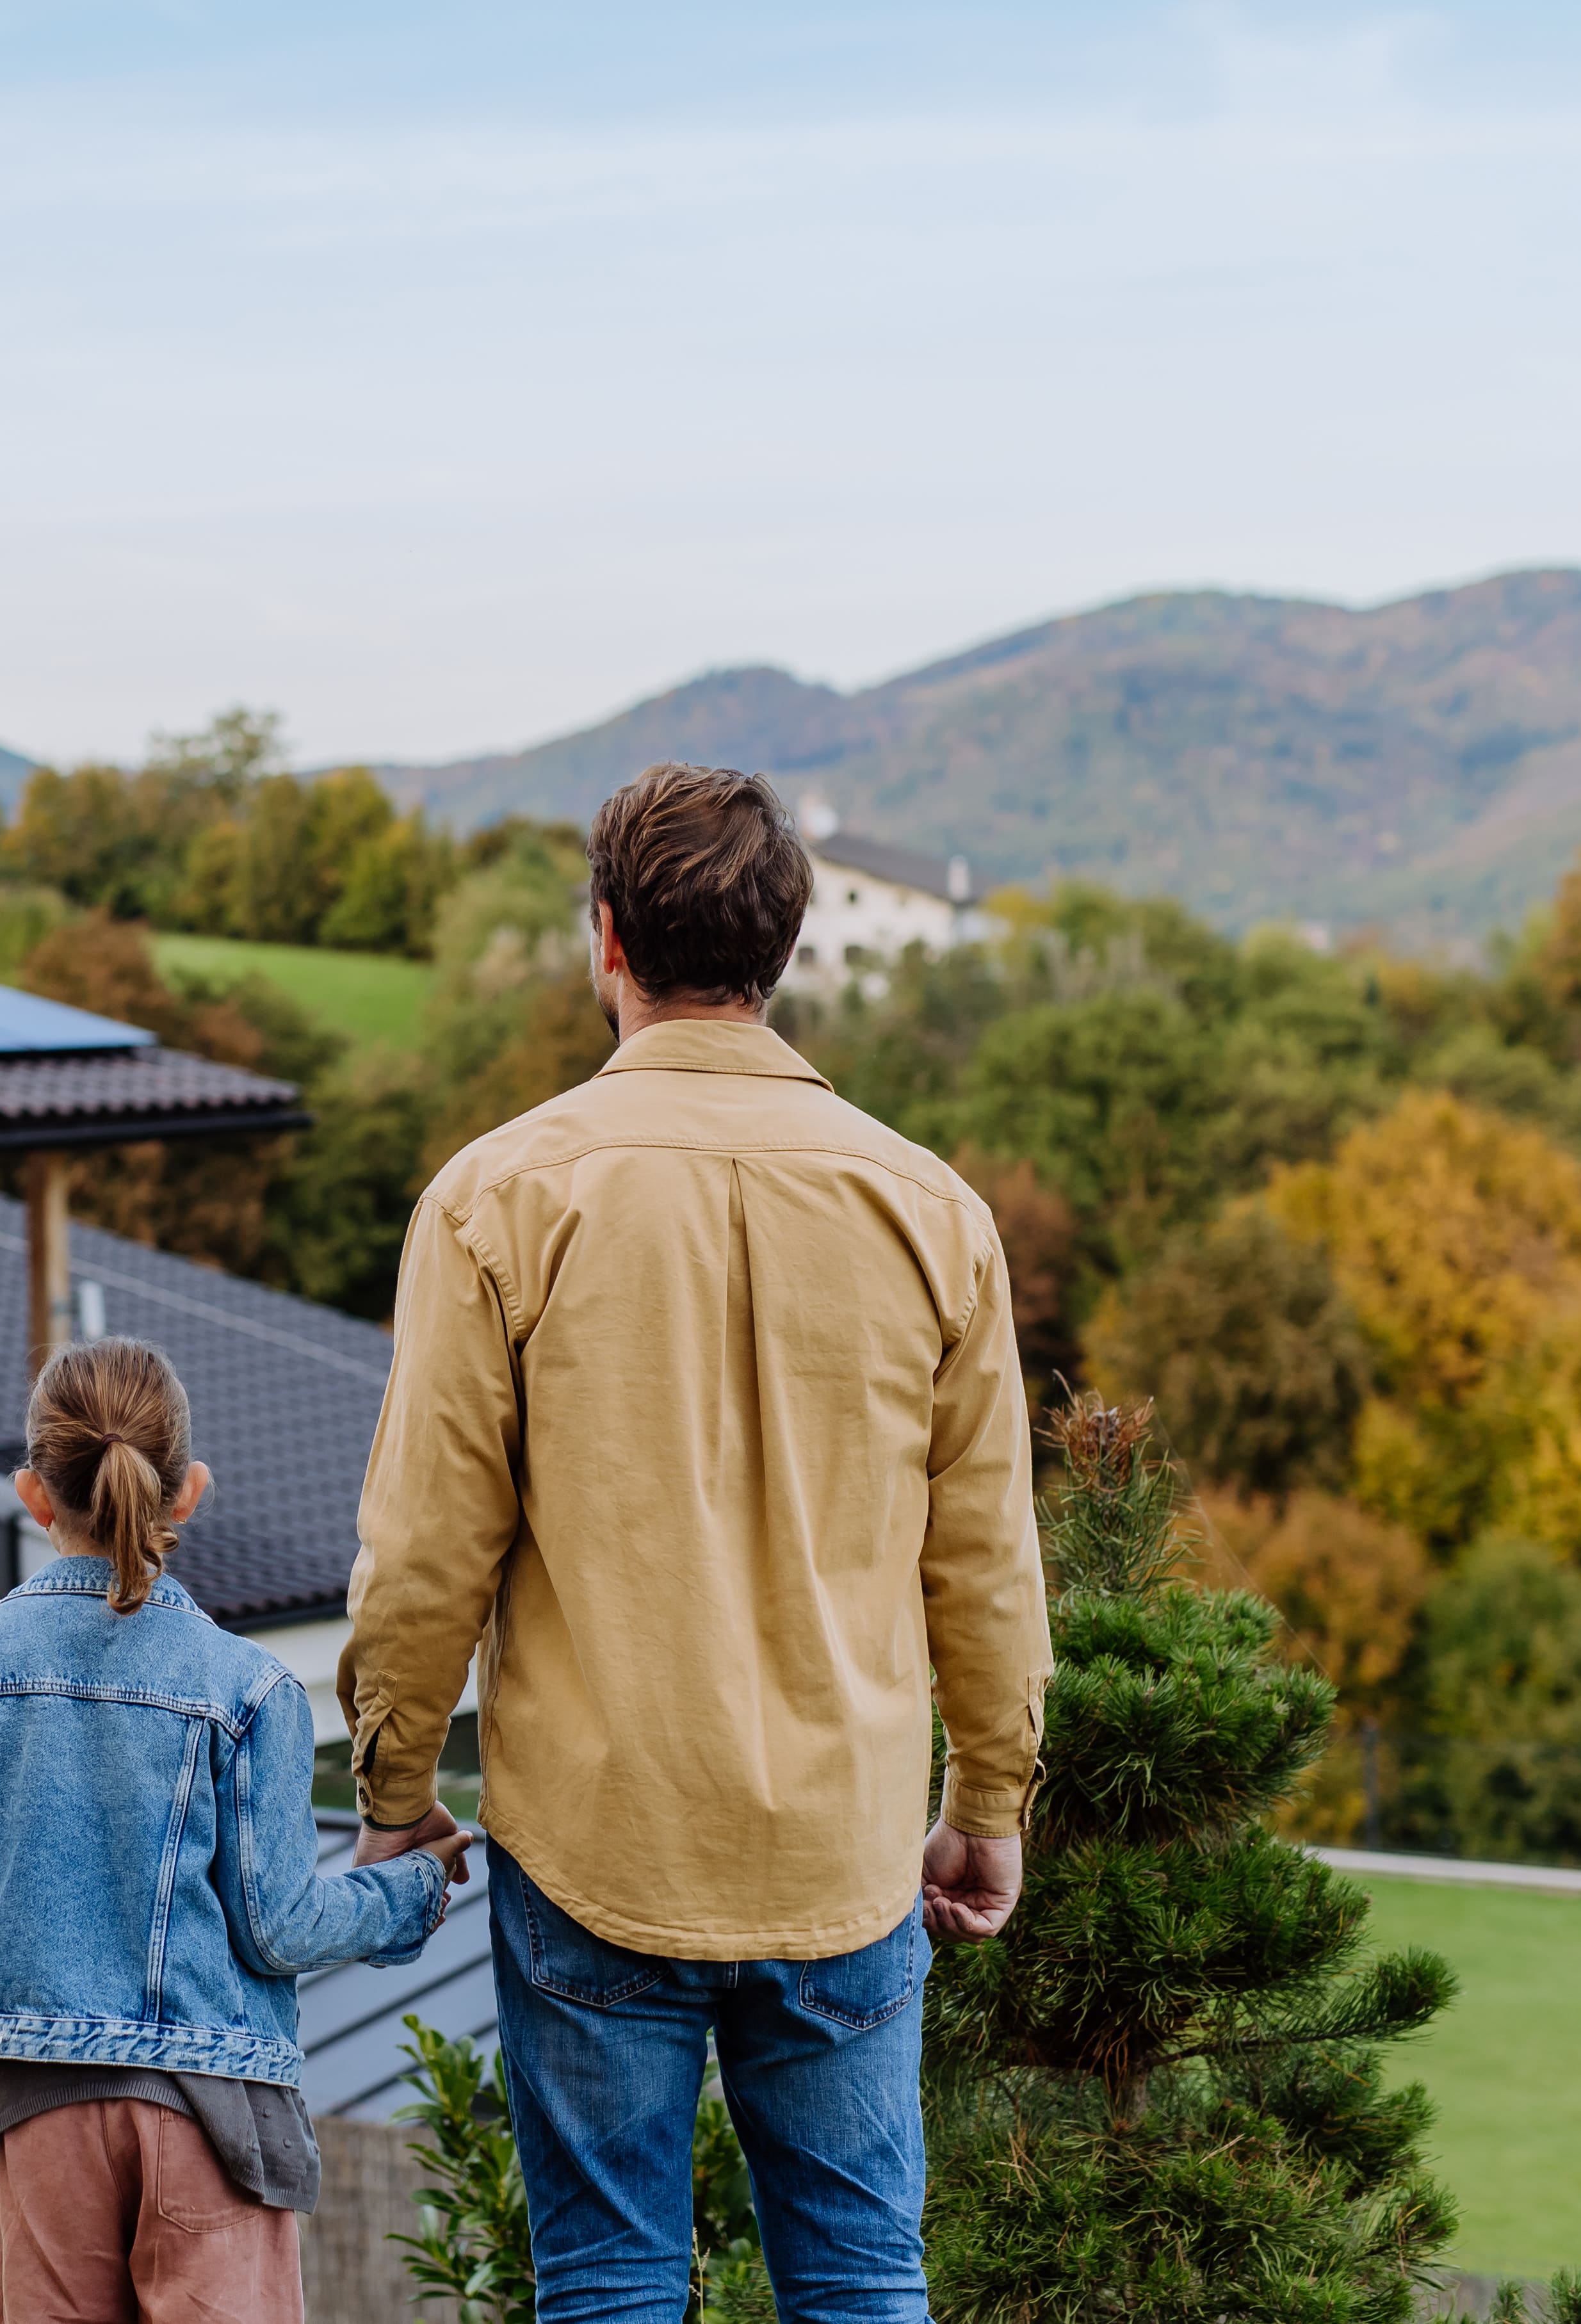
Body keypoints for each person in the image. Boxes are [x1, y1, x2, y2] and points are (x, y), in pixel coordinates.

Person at [337, 763, 1054, 2324]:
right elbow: (986, 1559)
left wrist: (395, 1795)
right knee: (865, 2282)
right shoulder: (932, 1212)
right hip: (842, 1851)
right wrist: (987, 1800)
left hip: (596, 1846)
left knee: (607, 2285)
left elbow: (422, 1554)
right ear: (780, 950)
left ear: (605, 939)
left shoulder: (491, 1201)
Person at [0, 1336, 471, 2322]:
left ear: (35, 1495)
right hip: (214, 2109)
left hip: (39, 2116)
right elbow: (281, 1928)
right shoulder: (249, 1688)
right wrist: (410, 1886)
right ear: (188, 1490)